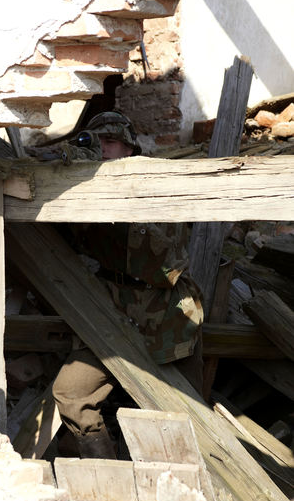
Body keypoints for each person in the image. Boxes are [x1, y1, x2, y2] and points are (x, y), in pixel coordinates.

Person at [35, 111, 205, 459]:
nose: (104, 149)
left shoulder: (154, 185)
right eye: (97, 142)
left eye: (112, 142)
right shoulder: (81, 186)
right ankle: (109, 475)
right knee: (72, 393)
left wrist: (104, 201)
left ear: (129, 150)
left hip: (167, 314)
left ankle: (177, 486)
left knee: (185, 410)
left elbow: (163, 266)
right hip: (111, 305)